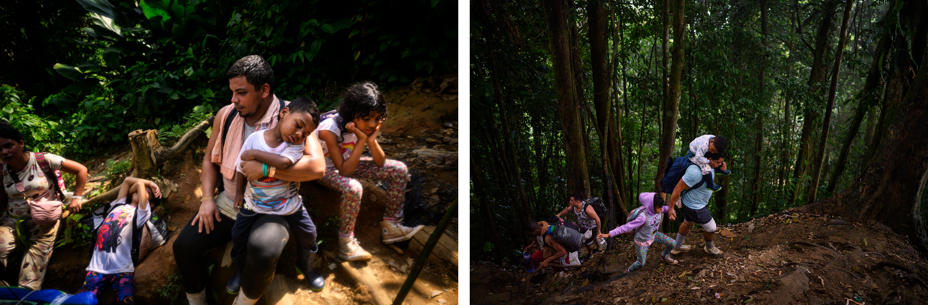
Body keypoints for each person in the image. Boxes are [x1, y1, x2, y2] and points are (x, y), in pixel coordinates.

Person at [172, 55, 326, 305]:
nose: (234, 100)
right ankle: (197, 301)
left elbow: (317, 167)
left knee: (264, 251)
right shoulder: (227, 114)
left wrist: (266, 169)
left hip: (272, 207)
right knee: (183, 247)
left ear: (264, 90)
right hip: (231, 201)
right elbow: (210, 160)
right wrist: (208, 198)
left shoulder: (295, 116)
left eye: (241, 93)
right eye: (233, 92)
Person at [316, 82, 423, 261]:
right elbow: (344, 171)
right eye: (367, 119)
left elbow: (380, 162)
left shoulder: (361, 127)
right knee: (354, 188)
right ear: (352, 112)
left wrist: (370, 141)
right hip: (323, 169)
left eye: (377, 118)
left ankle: (391, 225)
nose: (372, 124)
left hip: (345, 164)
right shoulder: (330, 128)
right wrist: (361, 141)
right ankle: (346, 243)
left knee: (398, 169)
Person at [230, 96, 324, 292]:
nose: (299, 134)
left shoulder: (295, 146)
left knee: (310, 233)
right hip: (254, 202)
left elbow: (282, 163)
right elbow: (241, 168)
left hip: (289, 204)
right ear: (284, 113)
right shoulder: (255, 138)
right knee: (237, 235)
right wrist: (239, 193)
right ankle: (239, 272)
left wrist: (256, 155)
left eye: (306, 133)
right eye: (298, 125)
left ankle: (306, 267)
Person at [0, 120, 87, 290]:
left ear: (21, 143)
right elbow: (2, 198)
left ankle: (26, 297)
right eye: (0, 149)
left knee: (31, 269)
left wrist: (77, 198)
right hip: (12, 221)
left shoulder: (43, 160)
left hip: (44, 221)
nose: (4, 152)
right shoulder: (2, 170)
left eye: (9, 145)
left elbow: (81, 170)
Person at [79, 177, 160, 304]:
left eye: (147, 192)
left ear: (151, 204)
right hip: (96, 268)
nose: (141, 190)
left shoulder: (141, 213)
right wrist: (150, 184)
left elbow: (138, 183)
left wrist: (144, 185)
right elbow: (127, 180)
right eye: (139, 191)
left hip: (121, 270)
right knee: (83, 301)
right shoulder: (118, 204)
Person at [597, 193, 678, 273]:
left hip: (654, 235)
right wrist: (609, 234)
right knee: (641, 263)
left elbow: (668, 209)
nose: (661, 209)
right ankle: (628, 271)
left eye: (661, 207)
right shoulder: (643, 217)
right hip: (642, 241)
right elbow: (626, 227)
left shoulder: (659, 209)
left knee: (673, 243)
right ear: (651, 206)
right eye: (658, 207)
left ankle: (665, 256)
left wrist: (672, 213)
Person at [668, 156, 729, 256]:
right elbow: (677, 189)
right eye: (718, 162)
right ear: (710, 159)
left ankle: (677, 246)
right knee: (711, 228)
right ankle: (709, 247)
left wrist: (722, 165)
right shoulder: (695, 172)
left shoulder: (709, 166)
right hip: (695, 206)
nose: (719, 164)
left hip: (691, 202)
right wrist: (671, 208)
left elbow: (717, 166)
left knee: (687, 222)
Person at [554, 193, 602, 258]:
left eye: (571, 200)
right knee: (590, 238)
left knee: (588, 242)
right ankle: (599, 249)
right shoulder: (574, 206)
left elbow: (597, 219)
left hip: (592, 227)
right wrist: (558, 215)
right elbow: (567, 210)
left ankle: (590, 253)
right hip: (583, 226)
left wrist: (598, 231)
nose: (570, 202)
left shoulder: (587, 209)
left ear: (578, 201)